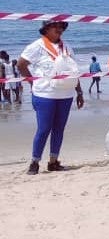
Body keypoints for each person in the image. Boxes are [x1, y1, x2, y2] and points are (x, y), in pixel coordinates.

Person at [17, 21, 84, 174]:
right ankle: (34, 162)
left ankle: (53, 162)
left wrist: (79, 92)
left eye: (62, 27)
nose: (60, 30)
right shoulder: (37, 46)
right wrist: (32, 83)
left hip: (66, 94)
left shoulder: (66, 46)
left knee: (59, 129)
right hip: (44, 94)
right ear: (46, 29)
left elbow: (72, 70)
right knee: (44, 129)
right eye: (56, 27)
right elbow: (21, 65)